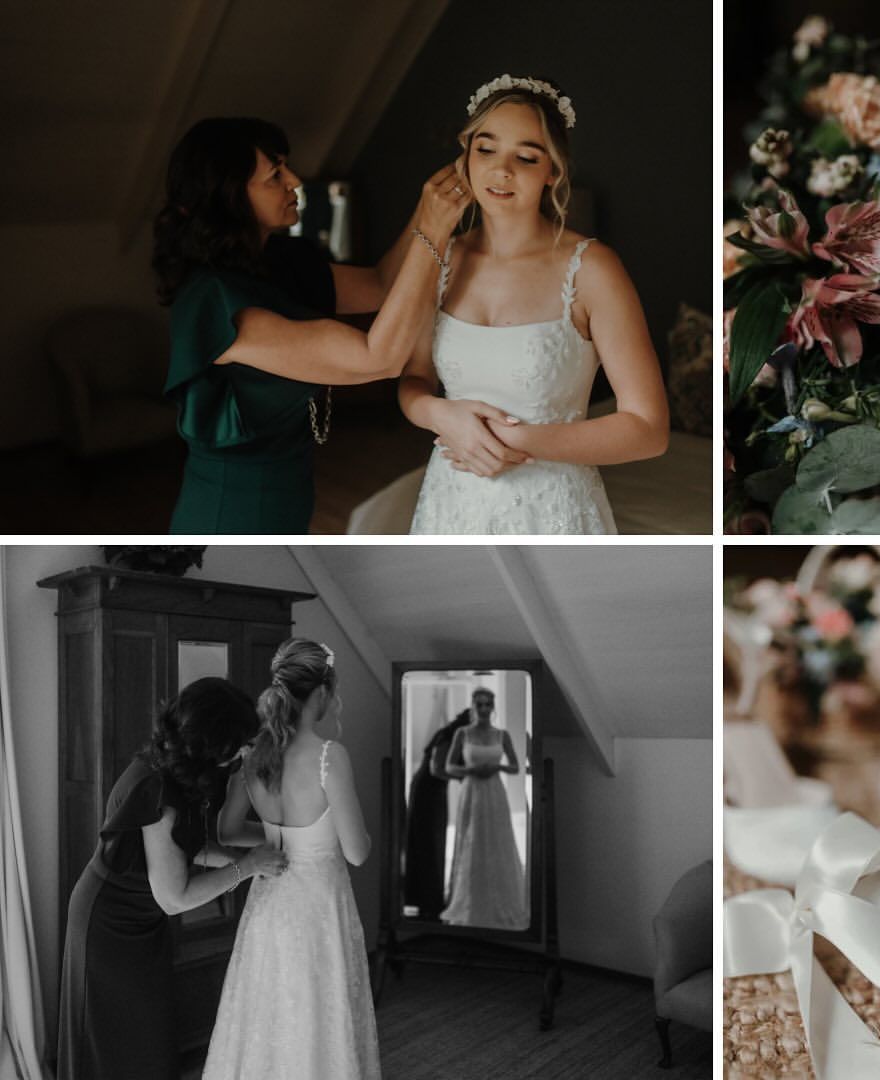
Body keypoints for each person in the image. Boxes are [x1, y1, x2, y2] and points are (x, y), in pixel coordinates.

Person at [153, 116, 470, 533]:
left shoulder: (281, 259)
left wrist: (427, 206)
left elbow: (380, 284)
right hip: (230, 506)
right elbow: (379, 358)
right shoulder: (216, 301)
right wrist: (434, 230)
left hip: (292, 487)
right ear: (230, 197)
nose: (295, 180)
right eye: (275, 174)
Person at [400, 75, 670, 534]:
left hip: (553, 511)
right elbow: (414, 380)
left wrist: (516, 440)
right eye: (485, 150)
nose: (501, 170)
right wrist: (440, 414)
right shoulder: (439, 257)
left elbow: (648, 429)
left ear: (553, 172)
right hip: (452, 501)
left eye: (525, 157)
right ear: (465, 157)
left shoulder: (593, 269)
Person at [57, 678, 287, 1080]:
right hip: (109, 926)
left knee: (150, 1040)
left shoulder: (178, 771)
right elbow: (174, 896)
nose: (244, 751)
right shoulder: (156, 787)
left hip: (142, 924)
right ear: (213, 742)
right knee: (121, 1047)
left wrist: (239, 856)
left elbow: (186, 848)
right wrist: (246, 867)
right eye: (239, 743)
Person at [202, 638, 379, 1079]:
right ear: (321, 693)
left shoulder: (254, 755)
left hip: (271, 899)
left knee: (267, 1014)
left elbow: (226, 831)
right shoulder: (328, 757)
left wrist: (280, 840)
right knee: (318, 1016)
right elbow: (357, 853)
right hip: (319, 906)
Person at [441, 688, 528, 930]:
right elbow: (449, 766)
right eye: (479, 705)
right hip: (471, 790)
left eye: (488, 704)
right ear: (473, 706)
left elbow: (514, 766)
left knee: (497, 840)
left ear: (493, 706)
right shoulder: (463, 733)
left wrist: (497, 769)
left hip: (494, 791)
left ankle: (499, 899)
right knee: (472, 840)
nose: (484, 710)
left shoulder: (502, 735)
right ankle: (470, 901)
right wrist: (470, 771)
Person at [403, 705, 473, 919]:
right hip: (428, 792)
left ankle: (428, 898)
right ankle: (428, 899)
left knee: (432, 841)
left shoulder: (448, 735)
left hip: (432, 790)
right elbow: (437, 768)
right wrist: (465, 775)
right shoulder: (448, 736)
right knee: (429, 842)